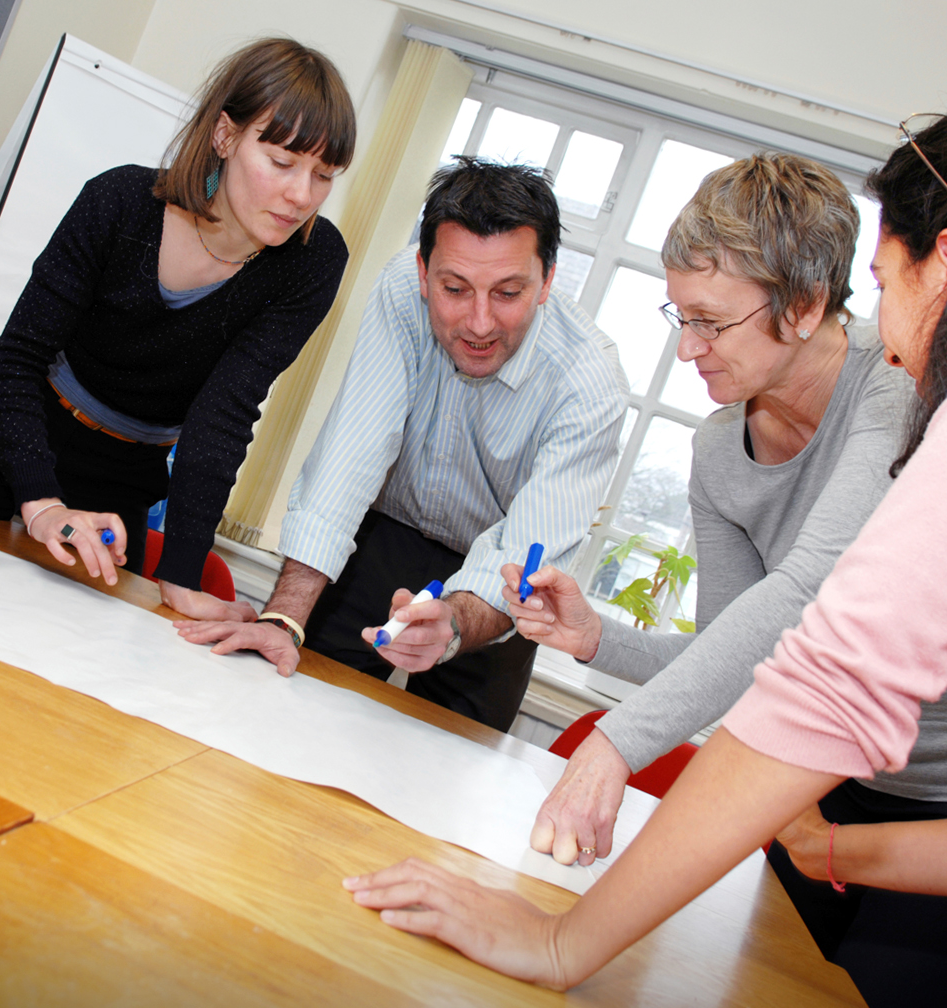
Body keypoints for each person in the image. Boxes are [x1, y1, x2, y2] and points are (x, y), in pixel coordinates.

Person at [344, 91, 947, 1008]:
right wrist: (825, 842)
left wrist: (565, 929)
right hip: (889, 807)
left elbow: (821, 636)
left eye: (885, 288)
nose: (883, 332)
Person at [499, 153, 947, 1007]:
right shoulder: (718, 451)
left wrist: (616, 742)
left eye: (711, 323)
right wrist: (596, 639)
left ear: (800, 308)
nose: (686, 349)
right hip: (825, 785)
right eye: (678, 316)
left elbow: (809, 594)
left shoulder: (901, 385)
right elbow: (741, 651)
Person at [176, 158, 630, 732]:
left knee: (446, 771)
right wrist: (284, 618)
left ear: (547, 281)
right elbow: (352, 450)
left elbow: (523, 555)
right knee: (286, 710)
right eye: (454, 289)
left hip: (498, 584)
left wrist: (455, 625)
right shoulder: (399, 289)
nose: (480, 322)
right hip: (382, 538)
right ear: (422, 272)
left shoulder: (590, 384)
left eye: (509, 292)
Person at [0, 39, 353, 606]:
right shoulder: (121, 202)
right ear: (225, 135)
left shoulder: (312, 262)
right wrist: (41, 503)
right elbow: (18, 358)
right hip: (10, 427)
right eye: (282, 162)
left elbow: (224, 417)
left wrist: (183, 578)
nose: (301, 195)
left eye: (324, 175)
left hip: (124, 470)